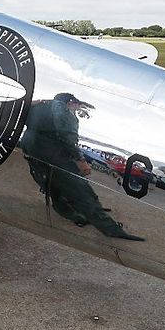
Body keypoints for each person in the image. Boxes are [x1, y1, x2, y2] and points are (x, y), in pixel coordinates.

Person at [19, 94, 144, 241]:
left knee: (51, 184)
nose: (78, 108)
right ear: (70, 102)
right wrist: (80, 159)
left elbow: (23, 116)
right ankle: (110, 228)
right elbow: (68, 137)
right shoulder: (63, 111)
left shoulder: (39, 106)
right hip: (52, 152)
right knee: (80, 189)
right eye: (77, 105)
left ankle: (70, 212)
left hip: (31, 145)